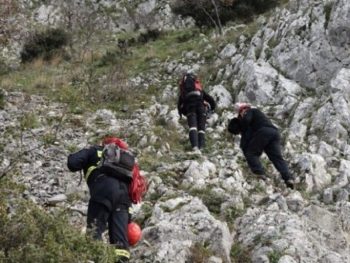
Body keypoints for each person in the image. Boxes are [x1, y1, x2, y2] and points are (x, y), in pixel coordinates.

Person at [67, 136, 138, 263]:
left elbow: (72, 164)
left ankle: (95, 258)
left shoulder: (94, 150)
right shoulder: (124, 161)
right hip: (124, 197)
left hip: (103, 191)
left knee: (94, 231)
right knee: (121, 245)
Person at [228, 103, 295, 189]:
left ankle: (259, 174)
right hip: (274, 133)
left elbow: (246, 121)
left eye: (240, 113)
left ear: (243, 110)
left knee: (251, 153)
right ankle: (288, 178)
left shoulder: (250, 111)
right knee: (277, 158)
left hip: (264, 132)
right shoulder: (257, 119)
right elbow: (247, 137)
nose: (240, 115)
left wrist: (241, 126)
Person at [177, 73, 216, 152]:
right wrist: (212, 108)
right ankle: (201, 147)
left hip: (190, 108)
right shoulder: (199, 89)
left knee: (193, 127)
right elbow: (210, 100)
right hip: (200, 106)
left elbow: (179, 104)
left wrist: (181, 114)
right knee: (201, 128)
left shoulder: (184, 91)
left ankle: (195, 147)